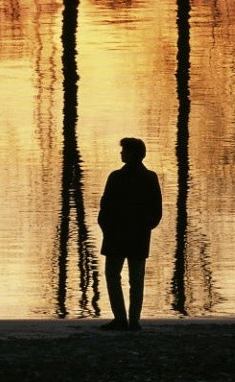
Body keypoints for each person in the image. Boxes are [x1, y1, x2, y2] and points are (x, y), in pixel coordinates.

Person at [96, 136, 162, 330]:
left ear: (132, 154)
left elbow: (105, 206)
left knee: (113, 276)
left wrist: (107, 228)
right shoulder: (149, 177)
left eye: (124, 150)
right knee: (136, 279)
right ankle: (133, 320)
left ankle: (121, 319)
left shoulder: (116, 177)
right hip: (137, 236)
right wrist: (145, 227)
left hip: (117, 235)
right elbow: (156, 211)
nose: (121, 153)